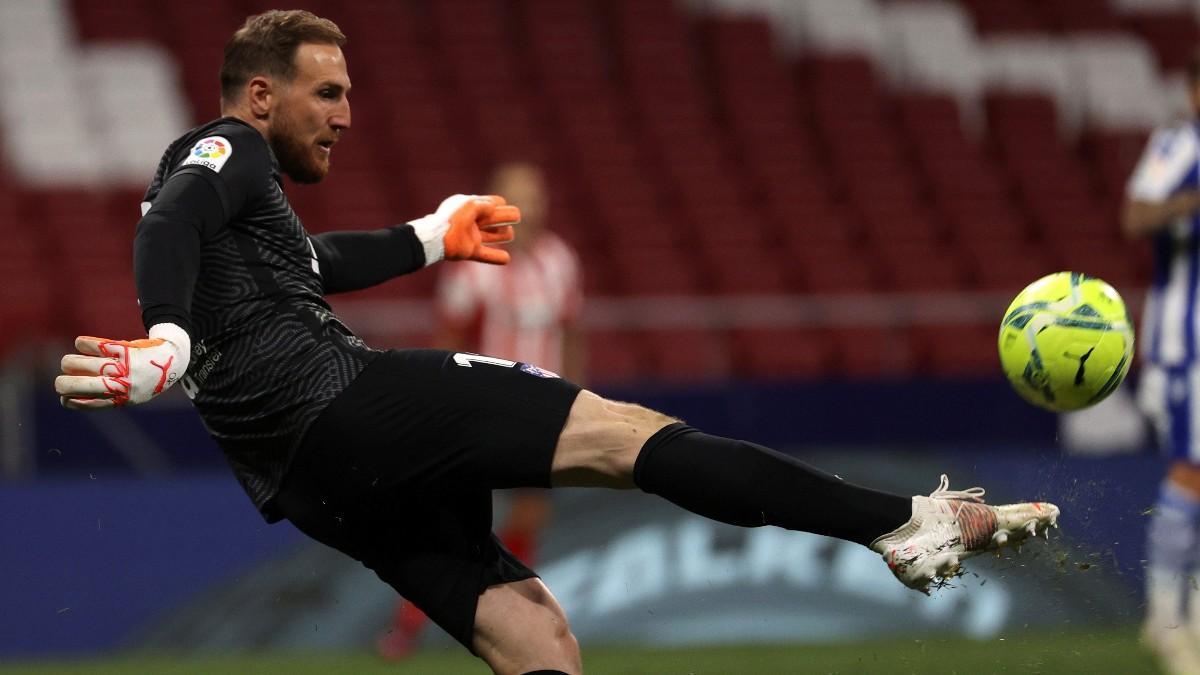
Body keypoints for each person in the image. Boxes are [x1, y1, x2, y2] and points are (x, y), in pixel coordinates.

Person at [54, 11, 1059, 675]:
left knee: (536, 634)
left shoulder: (251, 218)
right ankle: (902, 525)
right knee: (626, 438)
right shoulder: (212, 152)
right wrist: (168, 342)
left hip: (307, 483)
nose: (348, 116)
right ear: (261, 96)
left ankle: (899, 527)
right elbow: (168, 221)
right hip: (345, 403)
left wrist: (431, 236)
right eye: (330, 93)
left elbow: (307, 267)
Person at [378, 161, 583, 659]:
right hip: (482, 411)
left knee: (530, 515)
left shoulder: (560, 260)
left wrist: (577, 397)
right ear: (497, 201)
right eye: (519, 195)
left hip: (543, 411)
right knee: (454, 524)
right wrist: (443, 407)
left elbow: (571, 332)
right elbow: (448, 337)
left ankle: (516, 613)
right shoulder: (475, 264)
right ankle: (409, 627)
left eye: (536, 195)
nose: (530, 206)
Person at [1122, 52, 1200, 675]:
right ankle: (1167, 620)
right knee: (1191, 474)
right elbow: (1136, 214)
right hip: (1187, 349)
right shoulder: (1180, 144)